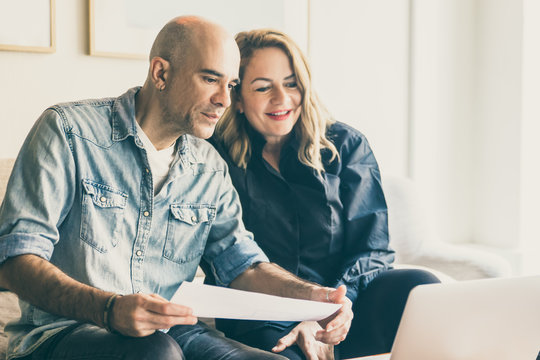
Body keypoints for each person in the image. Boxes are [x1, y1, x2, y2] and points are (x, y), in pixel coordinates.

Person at [0, 17, 353, 360]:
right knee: (156, 353)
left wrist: (315, 297)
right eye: (210, 79)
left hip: (175, 332)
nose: (224, 101)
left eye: (230, 85)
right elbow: (15, 259)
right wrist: (110, 309)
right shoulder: (67, 132)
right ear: (161, 73)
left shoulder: (210, 167)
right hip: (64, 331)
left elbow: (243, 266)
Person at [210, 29, 441, 360]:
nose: (282, 98)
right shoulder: (213, 157)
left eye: (291, 83)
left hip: (347, 305)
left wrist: (333, 306)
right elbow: (225, 260)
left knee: (420, 285)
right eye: (263, 87)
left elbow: (372, 248)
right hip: (261, 314)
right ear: (239, 98)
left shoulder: (346, 145)